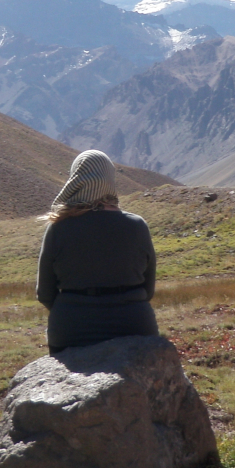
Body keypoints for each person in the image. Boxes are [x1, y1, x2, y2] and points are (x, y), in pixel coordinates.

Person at [36, 150, 159, 354]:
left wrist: (75, 310)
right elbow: (149, 289)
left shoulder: (58, 228)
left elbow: (44, 293)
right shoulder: (137, 225)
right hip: (134, 326)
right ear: (109, 180)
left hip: (71, 331)